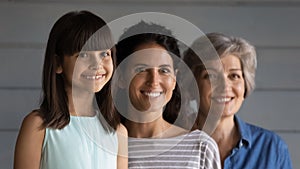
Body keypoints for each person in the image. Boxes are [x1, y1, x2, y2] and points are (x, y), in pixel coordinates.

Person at [14, 11, 127, 169]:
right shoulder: (38, 126)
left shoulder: (118, 132)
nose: (97, 64)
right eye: (83, 55)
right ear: (58, 63)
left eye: (104, 54)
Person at [113, 21, 221, 169]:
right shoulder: (103, 144)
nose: (154, 81)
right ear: (120, 78)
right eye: (141, 69)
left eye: (164, 71)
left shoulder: (201, 147)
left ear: (174, 78)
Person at [183, 32, 293, 169]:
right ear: (192, 85)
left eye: (234, 76)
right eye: (210, 76)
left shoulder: (272, 148)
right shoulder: (170, 145)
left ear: (245, 85)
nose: (224, 86)